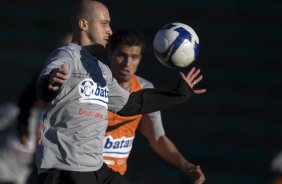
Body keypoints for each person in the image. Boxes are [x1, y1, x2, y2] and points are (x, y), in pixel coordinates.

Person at [35, 1, 206, 184]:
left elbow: (130, 104)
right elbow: (45, 85)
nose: (109, 30)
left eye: (109, 24)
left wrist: (179, 94)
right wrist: (51, 83)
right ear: (83, 24)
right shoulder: (67, 55)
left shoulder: (102, 71)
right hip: (64, 169)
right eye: (104, 23)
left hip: (94, 168)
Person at [103, 29, 205, 184]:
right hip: (85, 171)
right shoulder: (94, 86)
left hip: (114, 176)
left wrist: (184, 164)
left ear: (140, 59)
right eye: (121, 55)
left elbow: (156, 137)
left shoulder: (144, 89)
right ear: (110, 54)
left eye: (134, 57)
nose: (127, 63)